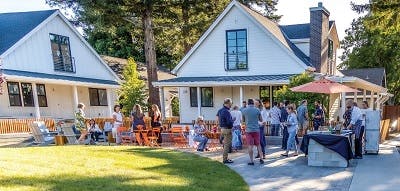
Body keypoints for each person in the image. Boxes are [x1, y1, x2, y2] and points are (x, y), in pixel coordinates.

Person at [242, 99, 265, 165]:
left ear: (247, 103)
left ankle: (252, 161)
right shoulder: (257, 110)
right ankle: (261, 159)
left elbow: (243, 121)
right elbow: (261, 119)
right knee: (258, 145)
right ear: (253, 103)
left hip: (248, 130)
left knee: (250, 146)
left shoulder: (244, 110)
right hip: (256, 130)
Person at [217, 98, 234, 164]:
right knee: (227, 145)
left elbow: (218, 117)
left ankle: (225, 158)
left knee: (225, 144)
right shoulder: (227, 111)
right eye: (231, 103)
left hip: (222, 128)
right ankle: (225, 159)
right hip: (227, 129)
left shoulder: (220, 110)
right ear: (228, 103)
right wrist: (233, 121)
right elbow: (229, 122)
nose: (231, 105)